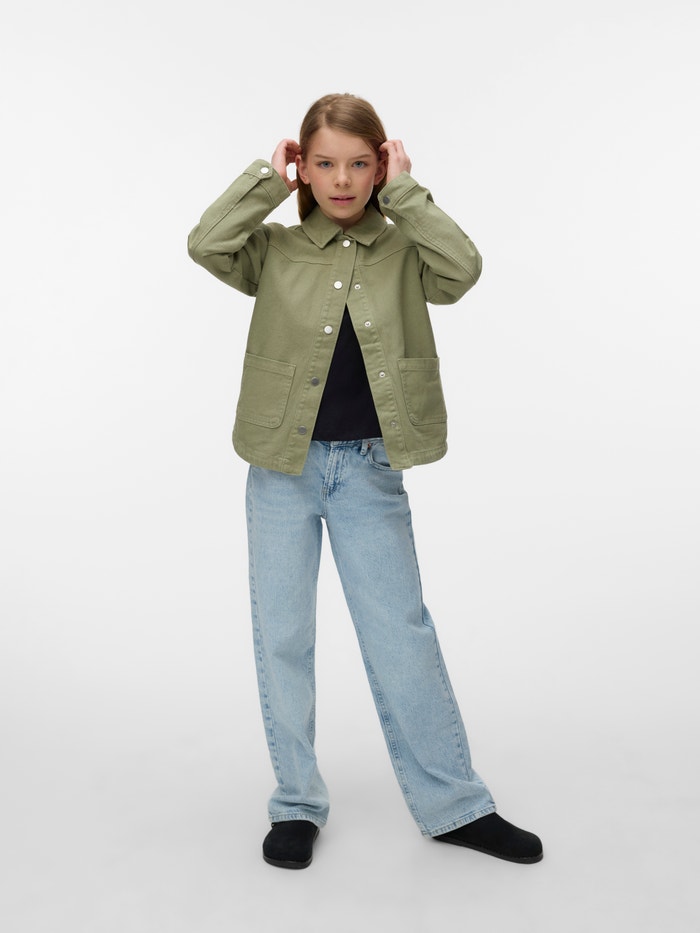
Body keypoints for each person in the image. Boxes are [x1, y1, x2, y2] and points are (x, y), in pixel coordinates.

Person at [187, 93, 542, 869]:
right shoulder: (276, 248)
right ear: (304, 168)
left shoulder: (405, 246)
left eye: (358, 163)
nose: (341, 180)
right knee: (283, 636)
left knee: (401, 632)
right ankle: (296, 803)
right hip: (280, 469)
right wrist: (265, 182)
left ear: (380, 165)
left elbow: (463, 269)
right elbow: (207, 243)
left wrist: (407, 192)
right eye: (324, 164)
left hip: (369, 469)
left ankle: (455, 804)